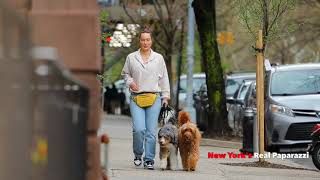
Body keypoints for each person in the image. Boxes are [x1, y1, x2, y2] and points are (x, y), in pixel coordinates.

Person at [121, 26, 170, 170]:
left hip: (154, 97)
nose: (145, 42)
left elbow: (164, 78)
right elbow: (125, 74)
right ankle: (138, 154)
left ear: (151, 41)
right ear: (139, 41)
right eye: (143, 40)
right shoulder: (131, 57)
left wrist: (165, 96)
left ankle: (149, 159)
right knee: (138, 129)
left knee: (150, 131)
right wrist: (130, 82)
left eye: (148, 40)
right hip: (136, 98)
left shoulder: (158, 58)